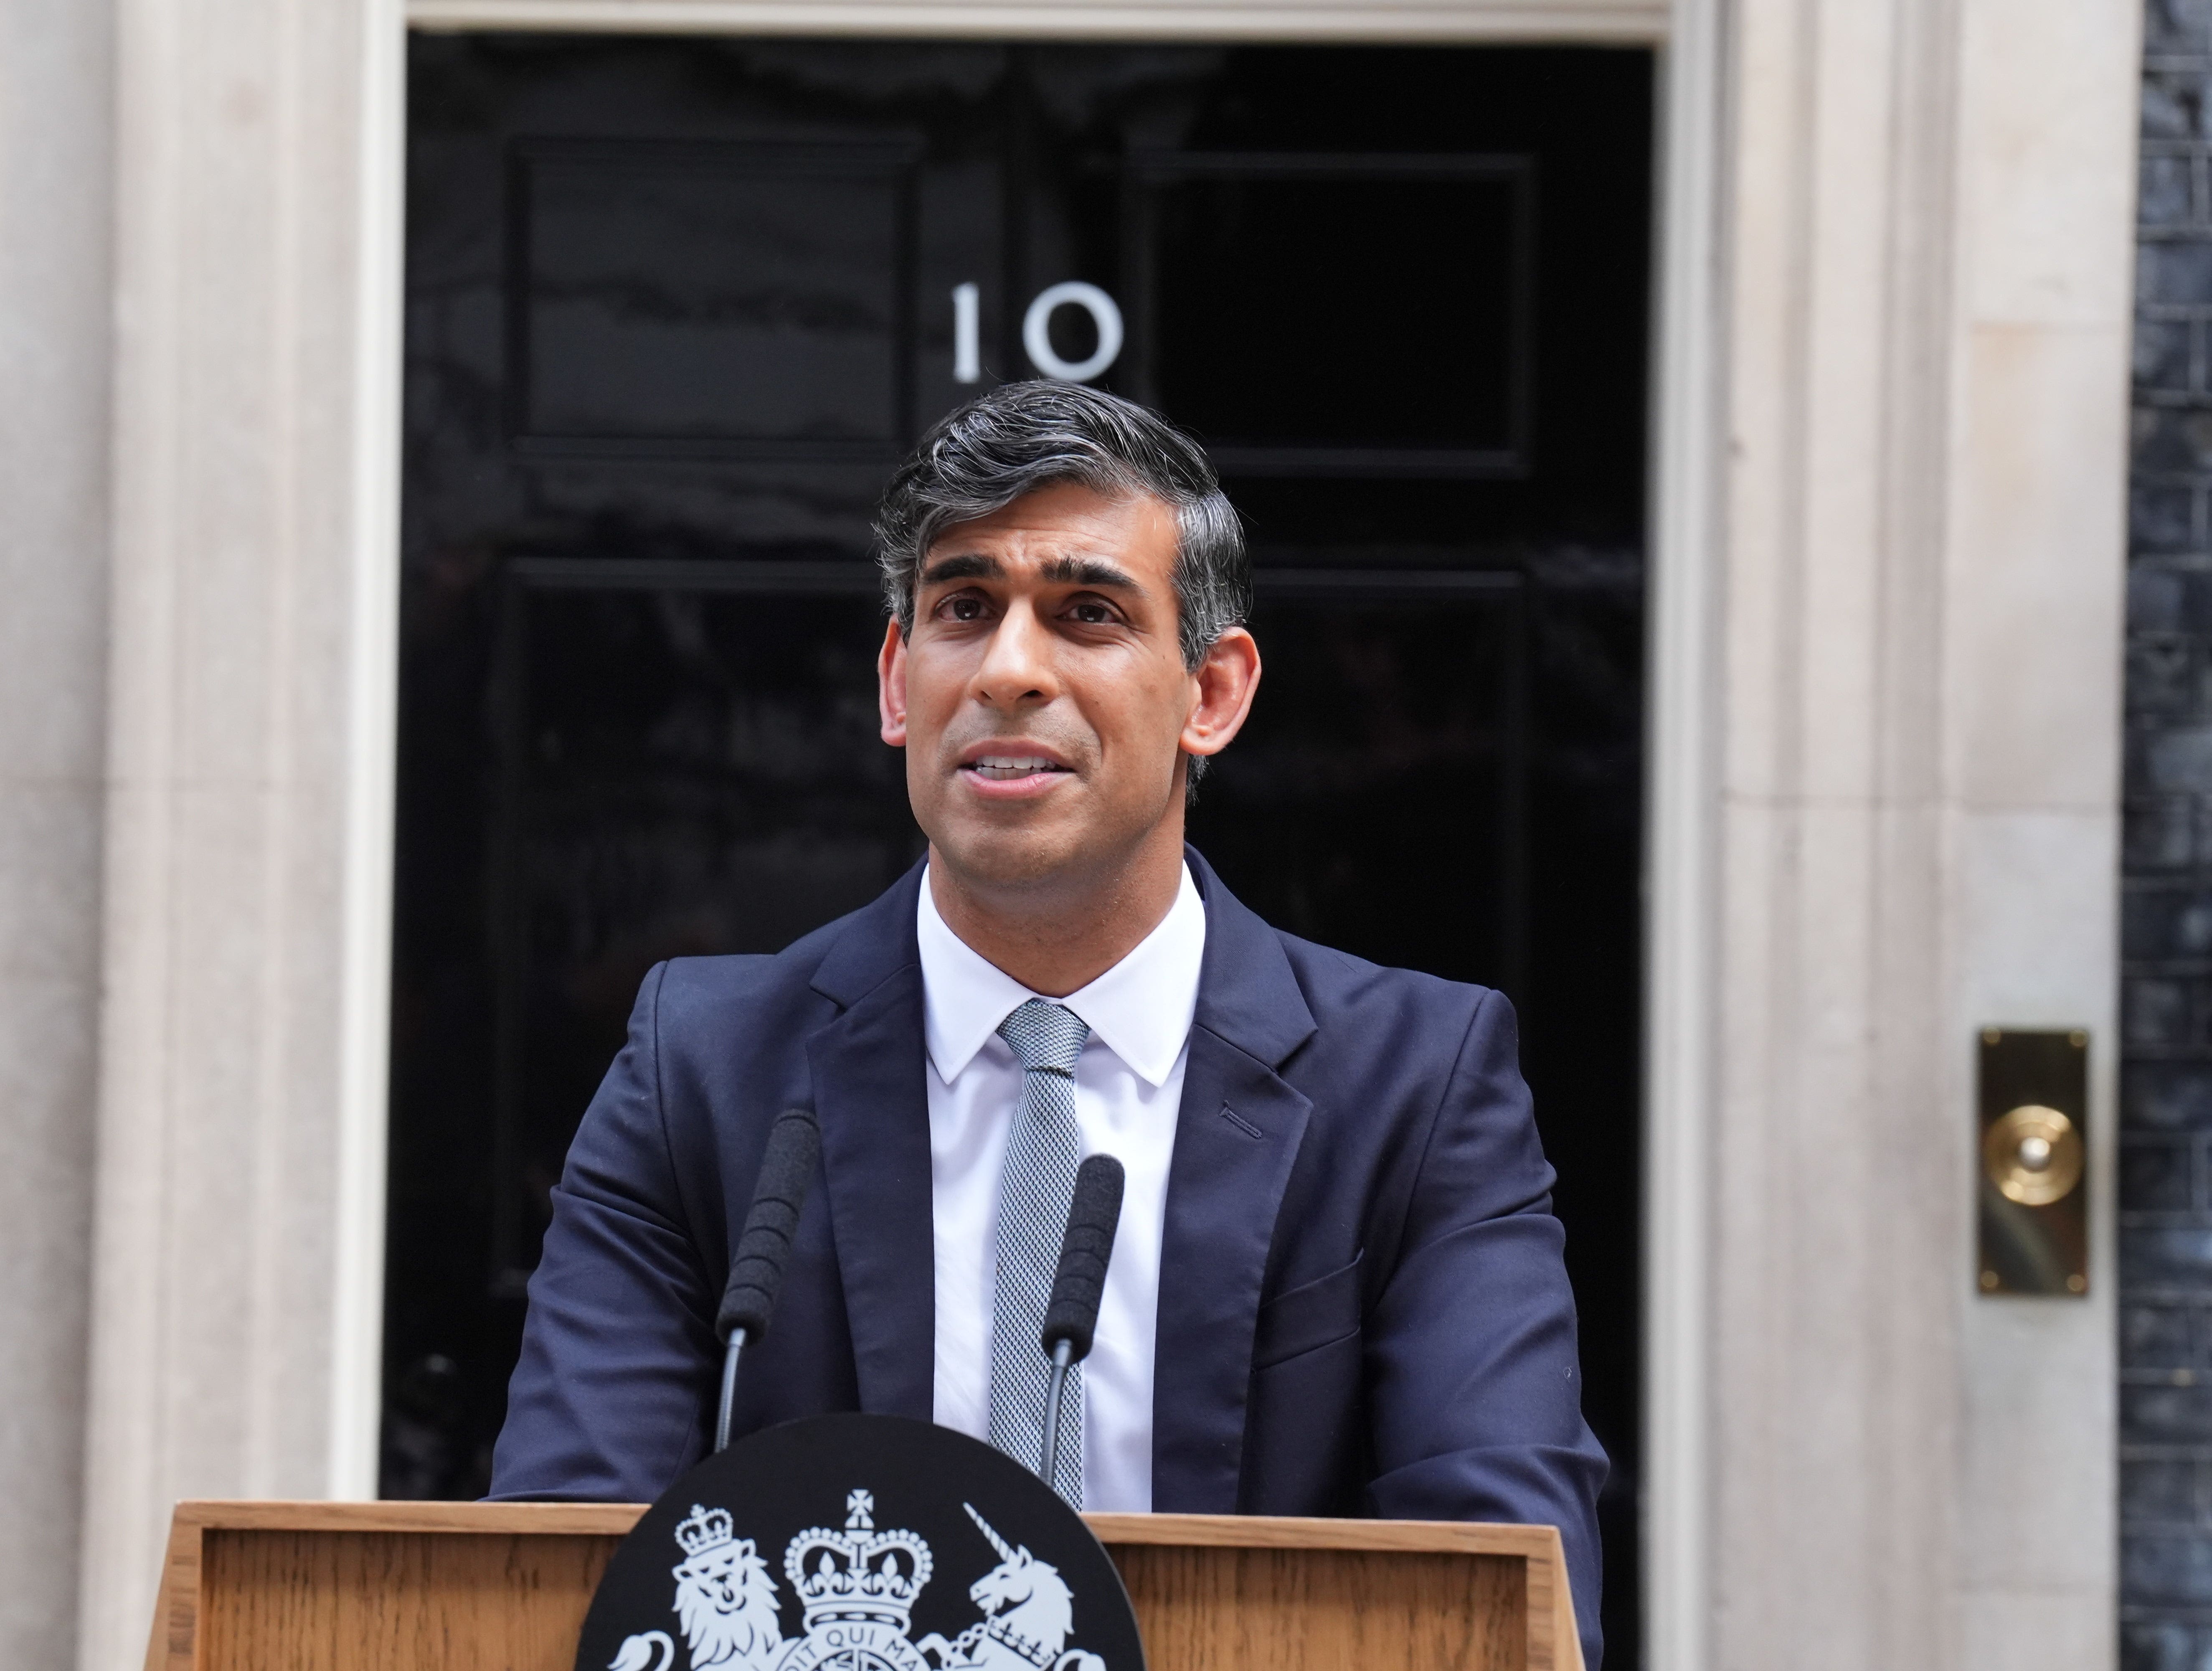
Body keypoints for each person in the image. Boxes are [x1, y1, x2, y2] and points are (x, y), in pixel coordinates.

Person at [488, 380, 1608, 1663]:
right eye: (965, 609)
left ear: (1214, 694)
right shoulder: (707, 1069)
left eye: (1086, 613)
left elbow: (1501, 1604)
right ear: (901, 682)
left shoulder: (1415, 1086)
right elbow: (563, 1563)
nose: (1011, 670)